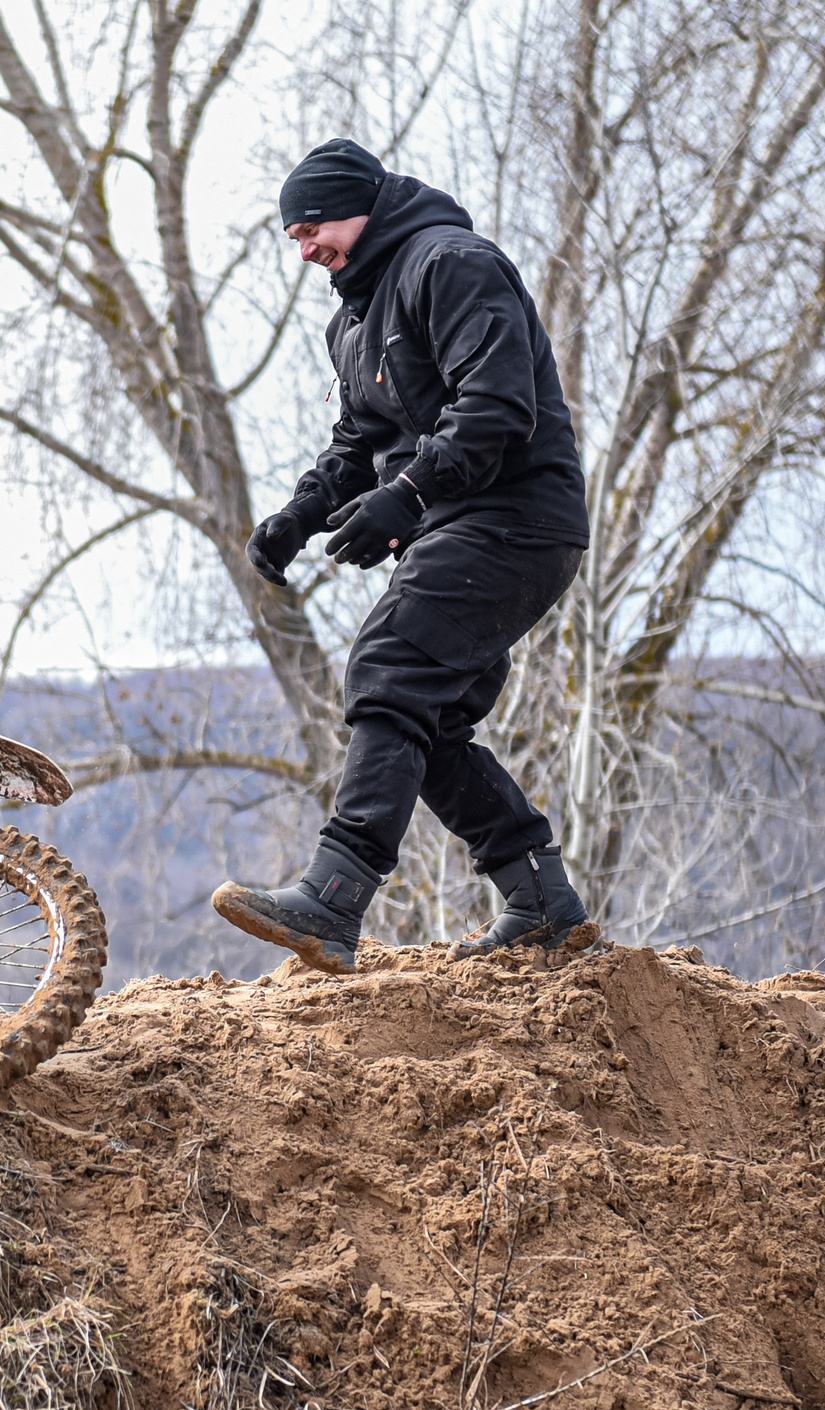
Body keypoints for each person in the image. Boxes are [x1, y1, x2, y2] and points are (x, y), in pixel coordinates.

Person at [212, 138, 596, 975]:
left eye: (313, 227)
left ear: (359, 205)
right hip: (460, 524)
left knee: (387, 667)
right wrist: (299, 514)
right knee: (430, 721)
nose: (306, 248)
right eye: (295, 238)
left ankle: (334, 897)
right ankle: (542, 900)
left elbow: (498, 408)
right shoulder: (351, 320)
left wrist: (410, 496)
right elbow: (360, 441)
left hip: (516, 517)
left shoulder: (451, 265)